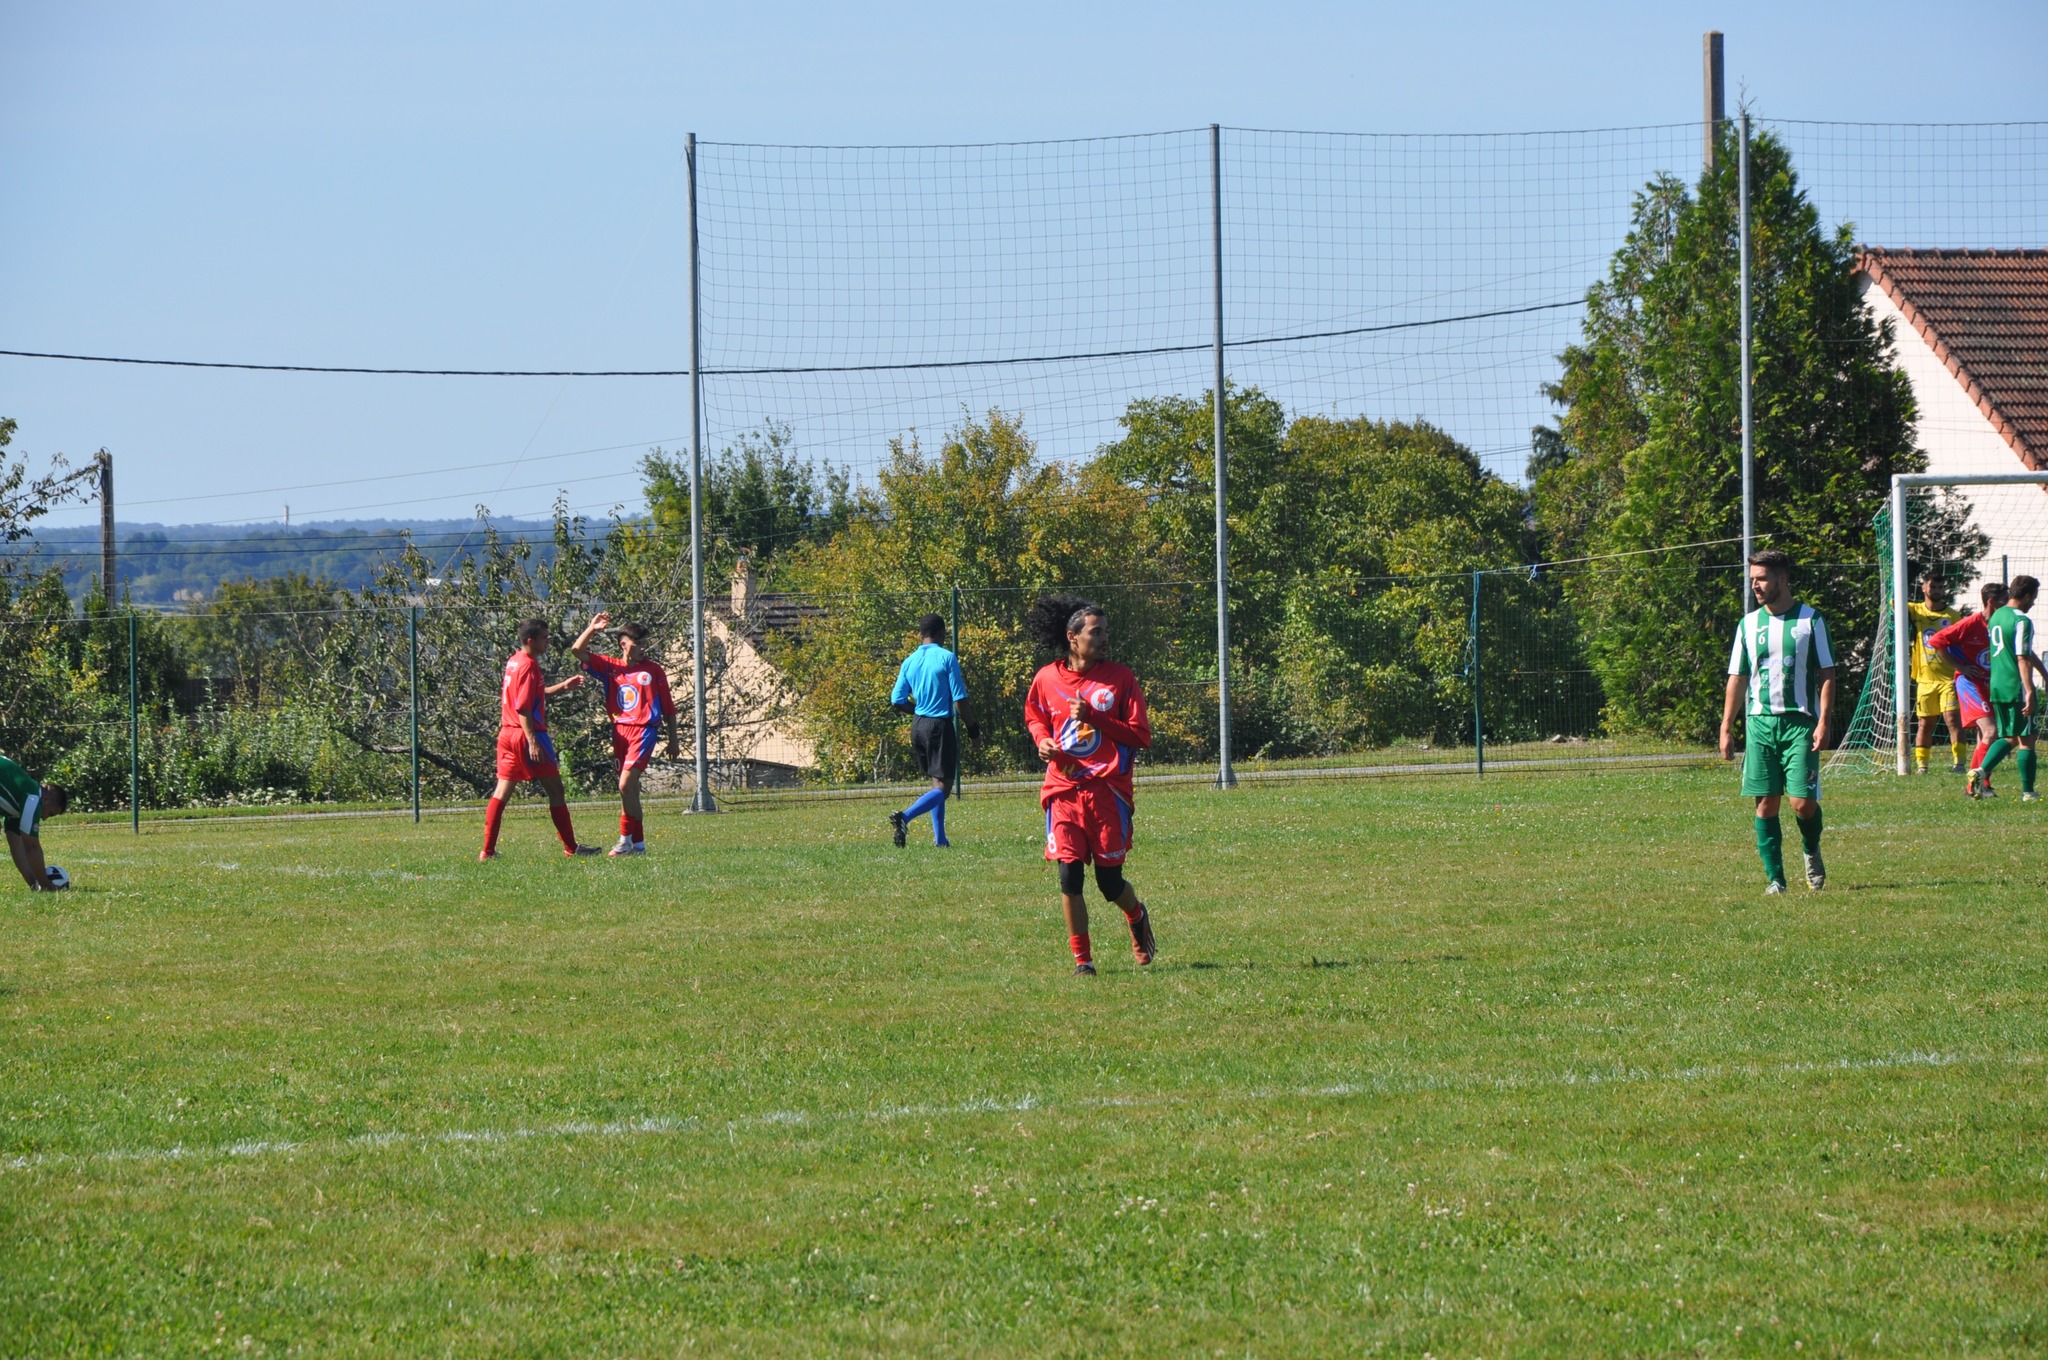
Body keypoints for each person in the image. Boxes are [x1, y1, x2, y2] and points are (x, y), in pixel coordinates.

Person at [1022, 595, 1156, 974]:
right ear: (1073, 638)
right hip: (1063, 790)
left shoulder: (1121, 679)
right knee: (1069, 876)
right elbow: (1035, 716)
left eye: (1106, 632)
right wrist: (1042, 740)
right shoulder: (1046, 678)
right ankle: (1084, 962)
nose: (1104, 638)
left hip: (1107, 792)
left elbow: (1140, 736)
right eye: (1096, 632)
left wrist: (1095, 716)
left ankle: (1136, 915)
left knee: (1109, 883)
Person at [1720, 549, 1835, 895]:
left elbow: (1827, 674)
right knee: (1766, 803)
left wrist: (1824, 722)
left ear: (1782, 579)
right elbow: (1737, 677)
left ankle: (1811, 849)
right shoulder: (1748, 624)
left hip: (1800, 724)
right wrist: (1726, 727)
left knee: (1802, 803)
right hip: (1760, 724)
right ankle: (1776, 880)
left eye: (1762, 578)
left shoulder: (1810, 620)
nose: (1755, 585)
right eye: (1752, 579)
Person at [481, 618, 599, 860]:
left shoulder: (515, 661)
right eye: (544, 637)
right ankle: (571, 848)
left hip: (507, 733)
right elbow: (524, 707)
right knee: (556, 791)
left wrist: (563, 687)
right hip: (527, 733)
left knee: (501, 792)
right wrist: (532, 740)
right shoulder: (529, 665)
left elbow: (532, 694)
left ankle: (487, 851)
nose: (548, 641)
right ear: (531, 640)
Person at [571, 612, 679, 856]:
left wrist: (674, 740)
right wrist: (592, 628)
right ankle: (637, 846)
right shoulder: (611, 667)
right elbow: (577, 650)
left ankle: (624, 841)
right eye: (637, 643)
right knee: (628, 791)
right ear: (624, 645)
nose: (643, 648)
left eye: (644, 643)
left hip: (644, 731)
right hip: (620, 732)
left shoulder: (653, 670)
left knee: (625, 784)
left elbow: (668, 707)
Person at [887, 614, 979, 848]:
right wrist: (973, 729)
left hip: (918, 726)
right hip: (939, 726)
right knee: (944, 789)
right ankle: (905, 816)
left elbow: (897, 700)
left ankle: (941, 840)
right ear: (942, 633)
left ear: (920, 635)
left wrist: (919, 710)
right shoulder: (947, 657)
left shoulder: (910, 661)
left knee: (936, 784)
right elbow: (959, 699)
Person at [1930, 583, 2010, 799]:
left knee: (1985, 736)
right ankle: (1978, 785)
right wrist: (1960, 666)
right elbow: (1936, 641)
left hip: (1989, 683)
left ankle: (1977, 786)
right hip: (1969, 682)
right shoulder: (1970, 624)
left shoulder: (2000, 624)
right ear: (1991, 602)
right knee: (1991, 731)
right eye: (2005, 600)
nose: (2009, 604)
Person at [1977, 574, 2040, 802]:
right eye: (2034, 597)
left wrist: (2043, 672)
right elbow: (2022, 657)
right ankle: (2028, 792)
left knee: (2009, 736)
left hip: (1998, 685)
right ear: (2027, 595)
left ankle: (1980, 772)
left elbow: (2021, 650)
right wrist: (2029, 690)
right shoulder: (2022, 620)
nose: (2033, 603)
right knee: (2027, 739)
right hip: (2016, 686)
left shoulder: (1996, 616)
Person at [1906, 567, 1966, 774]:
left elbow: (1961, 644)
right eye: (1933, 586)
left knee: (1953, 720)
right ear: (1924, 587)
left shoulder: (1953, 616)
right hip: (1925, 680)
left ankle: (1959, 763)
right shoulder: (1915, 610)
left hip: (1949, 679)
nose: (1937, 590)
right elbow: (1893, 604)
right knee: (1925, 723)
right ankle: (1922, 766)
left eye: (1941, 587)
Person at [0, 755, 69, 891]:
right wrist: (46, 885)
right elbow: (31, 846)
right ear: (46, 799)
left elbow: (16, 844)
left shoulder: (18, 804)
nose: (44, 818)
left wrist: (34, 884)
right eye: (50, 813)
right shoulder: (32, 798)